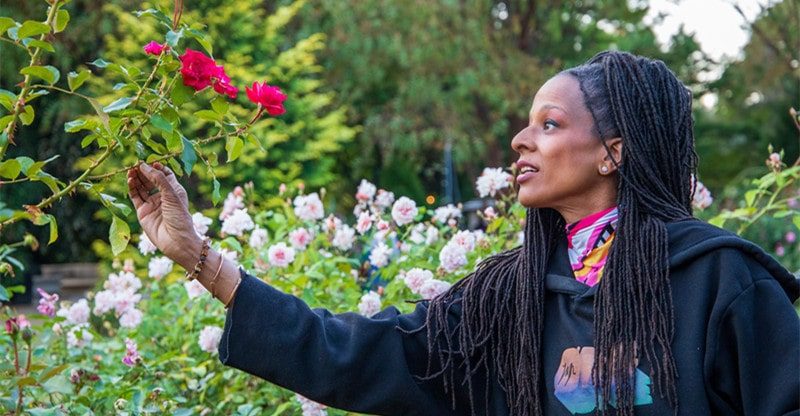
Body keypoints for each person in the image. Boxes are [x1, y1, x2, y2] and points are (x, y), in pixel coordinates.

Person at [127, 51, 800, 416]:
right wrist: (202, 261)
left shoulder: (720, 282)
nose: (520, 138)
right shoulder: (507, 300)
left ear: (613, 152)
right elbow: (364, 355)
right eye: (527, 122)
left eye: (550, 124)